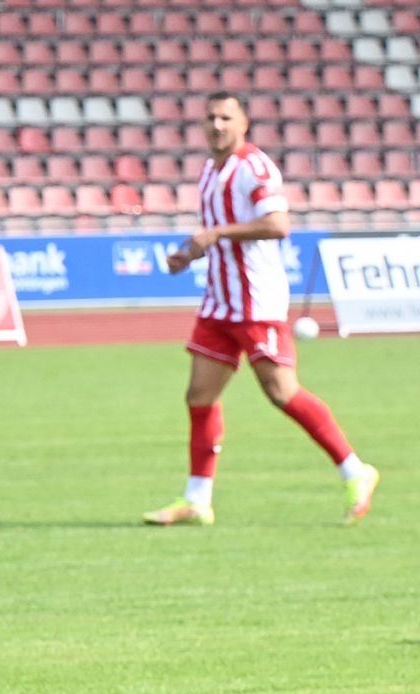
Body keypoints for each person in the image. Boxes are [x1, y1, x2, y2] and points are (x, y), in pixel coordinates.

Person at [146, 91, 378, 527]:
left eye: (225, 117)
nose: (217, 125)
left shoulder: (255, 168)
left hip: (257, 302)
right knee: (199, 396)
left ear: (244, 123)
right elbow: (219, 235)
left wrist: (217, 234)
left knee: (281, 392)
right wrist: (191, 253)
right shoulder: (209, 170)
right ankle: (197, 499)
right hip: (219, 303)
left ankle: (355, 470)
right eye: (210, 117)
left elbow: (277, 224)